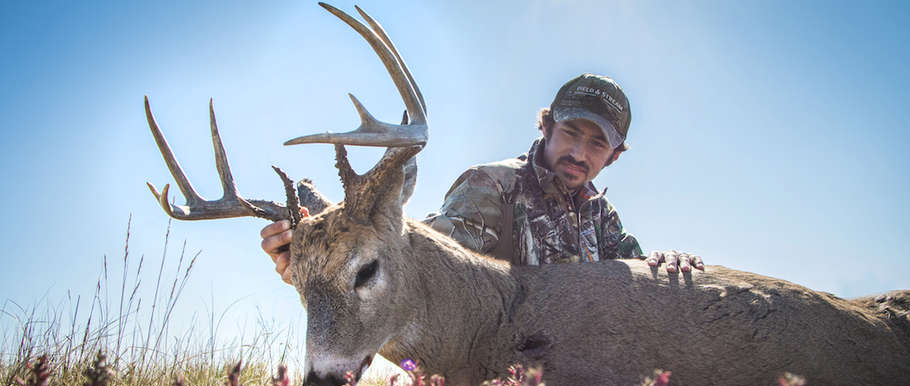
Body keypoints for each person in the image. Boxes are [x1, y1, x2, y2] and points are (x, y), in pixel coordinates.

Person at [261, 73, 702, 283]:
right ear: (546, 126)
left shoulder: (602, 217)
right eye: (570, 132)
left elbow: (640, 280)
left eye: (597, 144)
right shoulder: (492, 186)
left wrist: (668, 263)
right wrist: (316, 253)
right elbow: (416, 264)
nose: (579, 152)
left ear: (615, 156)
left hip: (587, 381)